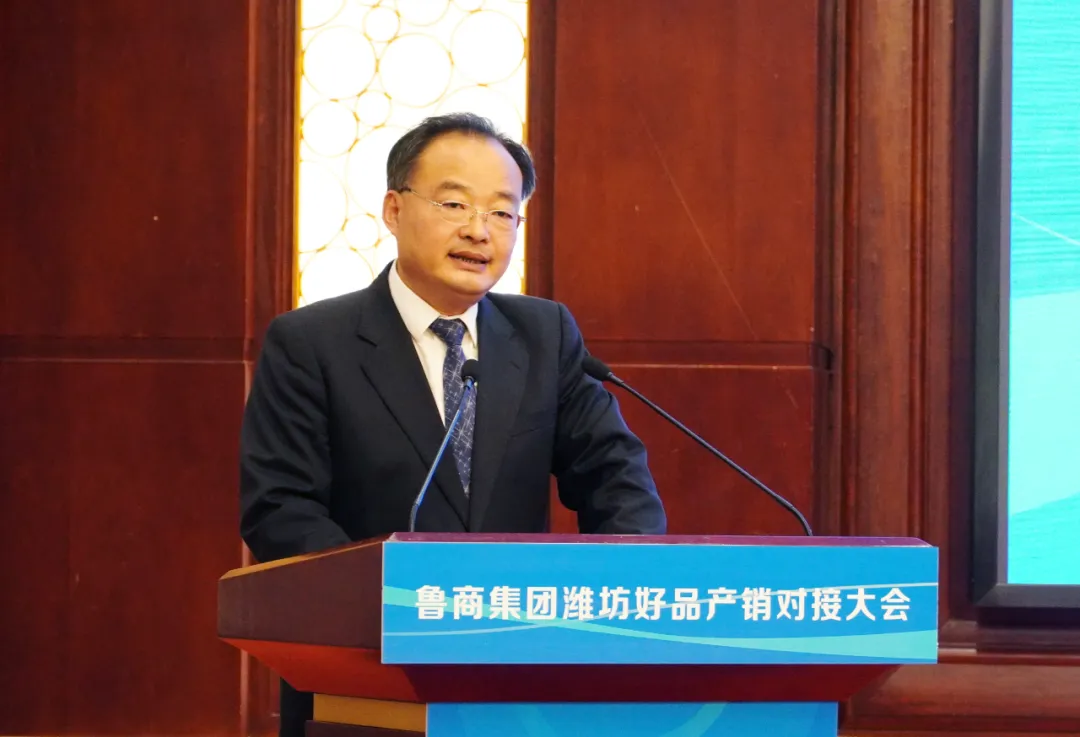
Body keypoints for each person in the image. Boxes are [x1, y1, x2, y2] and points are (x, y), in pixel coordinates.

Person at [238, 112, 666, 737]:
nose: (478, 230)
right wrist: (397, 607)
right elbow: (280, 508)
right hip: (366, 679)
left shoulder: (543, 335)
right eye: (454, 203)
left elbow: (615, 475)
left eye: (502, 212)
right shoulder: (311, 343)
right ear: (394, 209)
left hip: (522, 675)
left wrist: (622, 591)